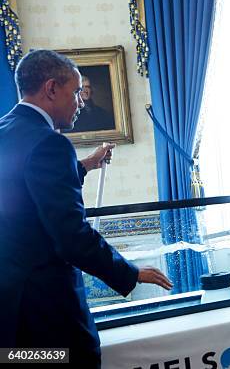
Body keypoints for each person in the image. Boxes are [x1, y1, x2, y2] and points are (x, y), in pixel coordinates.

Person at [0, 49, 173, 367]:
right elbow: (72, 236)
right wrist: (130, 273)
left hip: (10, 317)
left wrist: (84, 166)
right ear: (52, 88)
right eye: (76, 91)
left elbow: (21, 194)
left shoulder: (5, 131)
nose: (80, 101)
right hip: (48, 320)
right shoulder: (50, 143)